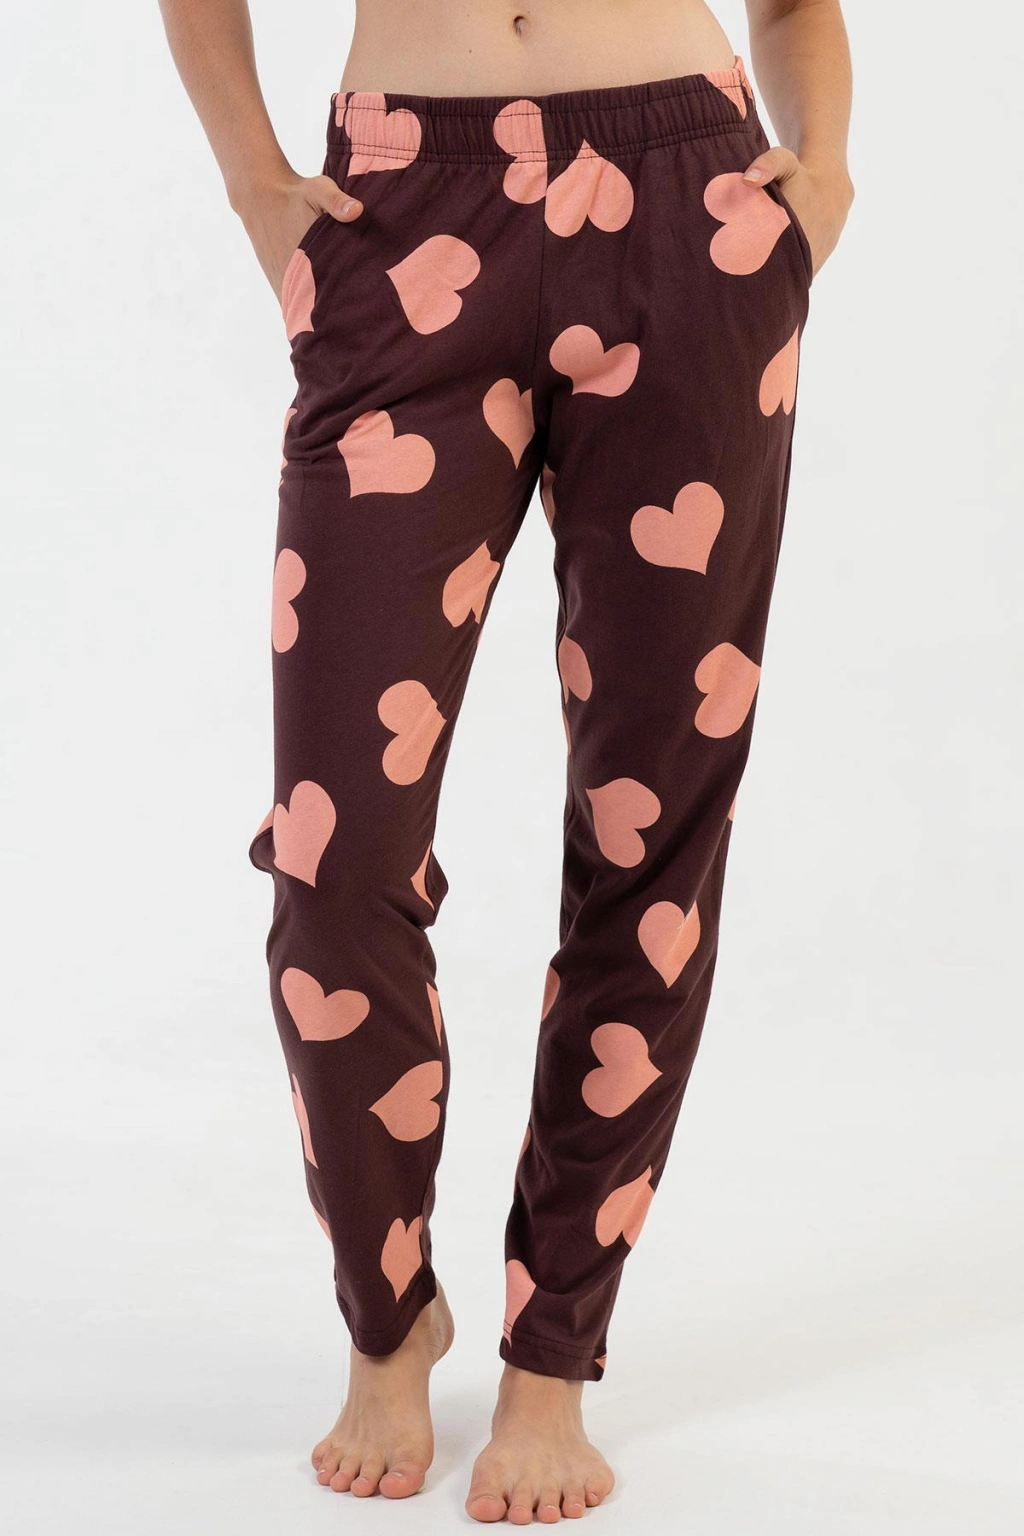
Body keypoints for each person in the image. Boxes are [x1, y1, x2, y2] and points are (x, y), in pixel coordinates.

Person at [158, 0, 853, 1521]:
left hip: (691, 215)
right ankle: (388, 1316)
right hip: (404, 212)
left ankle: (554, 1355)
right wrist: (256, 182)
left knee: (651, 839)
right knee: (334, 855)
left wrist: (826, 167)